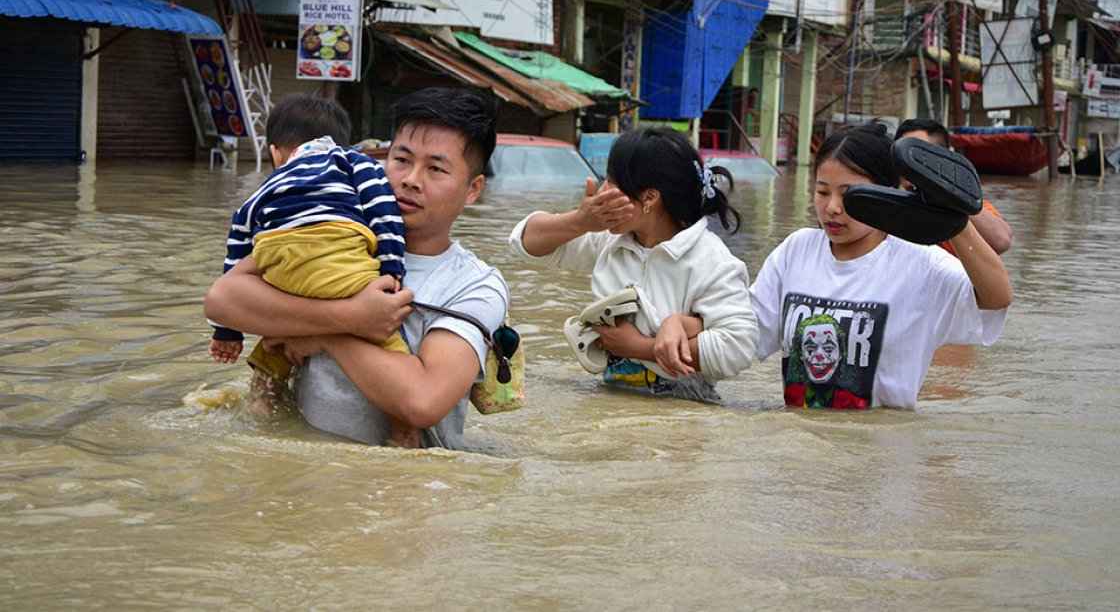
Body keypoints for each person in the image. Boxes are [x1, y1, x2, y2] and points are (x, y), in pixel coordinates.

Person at [204, 87, 508, 449]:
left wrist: (328, 334)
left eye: (436, 168)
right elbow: (222, 298)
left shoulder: (474, 285)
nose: (411, 179)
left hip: (398, 487)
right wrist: (348, 315)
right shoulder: (333, 232)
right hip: (301, 472)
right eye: (401, 160)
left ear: (472, 189)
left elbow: (422, 401)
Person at [749, 122, 1012, 410]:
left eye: (849, 194)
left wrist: (956, 222)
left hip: (880, 449)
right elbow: (745, 332)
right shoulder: (796, 251)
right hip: (801, 444)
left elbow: (996, 298)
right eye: (823, 192)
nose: (832, 207)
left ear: (887, 193)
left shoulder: (921, 263)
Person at [205, 93, 417, 444]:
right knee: (390, 344)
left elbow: (235, 254)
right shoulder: (352, 160)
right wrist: (392, 267)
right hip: (336, 256)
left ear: (276, 152)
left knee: (277, 332)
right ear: (340, 140)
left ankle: (262, 399)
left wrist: (226, 333)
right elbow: (382, 209)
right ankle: (403, 430)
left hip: (279, 263)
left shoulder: (262, 191)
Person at [507, 127, 758, 401]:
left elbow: (739, 346)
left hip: (683, 413)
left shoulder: (711, 260)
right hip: (611, 400)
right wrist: (580, 221)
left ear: (650, 198)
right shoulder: (610, 241)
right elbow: (523, 242)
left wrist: (640, 348)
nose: (602, 192)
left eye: (612, 183)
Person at [894, 118, 1014, 255]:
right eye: (904, 155)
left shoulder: (965, 204)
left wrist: (947, 192)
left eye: (918, 156)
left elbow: (1001, 241)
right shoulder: (888, 203)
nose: (910, 165)